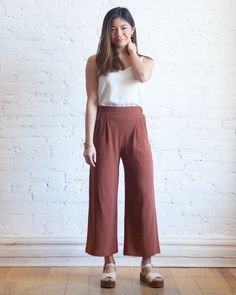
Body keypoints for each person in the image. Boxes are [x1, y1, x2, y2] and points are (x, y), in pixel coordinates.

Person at [83, 6, 164, 289]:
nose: (119, 33)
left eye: (124, 28)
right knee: (104, 193)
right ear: (107, 32)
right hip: (105, 124)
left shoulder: (145, 60)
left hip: (134, 125)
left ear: (133, 30)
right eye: (113, 28)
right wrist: (88, 142)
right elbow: (92, 102)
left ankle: (147, 263)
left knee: (143, 191)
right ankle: (109, 263)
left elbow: (141, 77)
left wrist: (131, 50)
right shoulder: (95, 62)